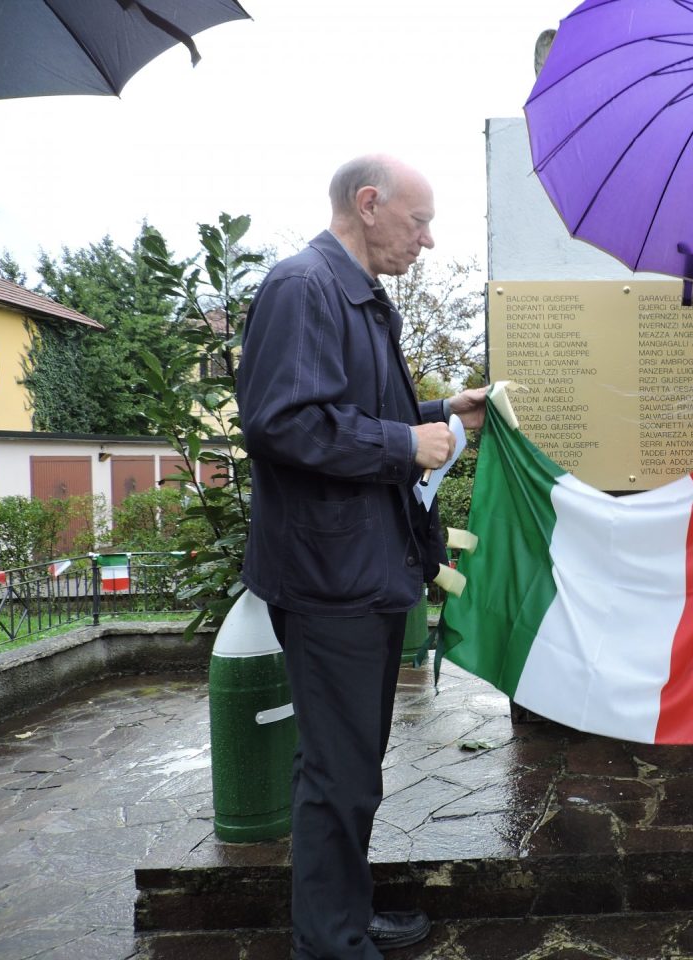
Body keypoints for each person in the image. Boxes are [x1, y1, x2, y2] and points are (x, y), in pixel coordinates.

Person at [236, 154, 487, 959]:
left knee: (351, 763)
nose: (429, 240)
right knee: (339, 772)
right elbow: (281, 424)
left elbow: (348, 411)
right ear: (368, 204)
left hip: (362, 566)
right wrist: (404, 442)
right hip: (328, 576)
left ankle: (341, 909)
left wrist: (442, 410)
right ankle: (331, 941)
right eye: (419, 221)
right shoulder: (303, 286)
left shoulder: (355, 294)